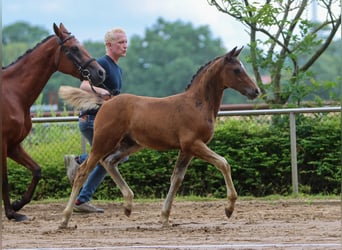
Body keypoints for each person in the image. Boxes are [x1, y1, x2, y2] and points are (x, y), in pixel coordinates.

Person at [64, 27, 128, 213]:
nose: (125, 46)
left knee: (115, 156)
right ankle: (82, 196)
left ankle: (79, 163)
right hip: (92, 120)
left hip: (104, 123)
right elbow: (84, 84)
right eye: (121, 42)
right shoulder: (103, 63)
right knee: (109, 156)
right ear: (109, 45)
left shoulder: (117, 69)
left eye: (125, 42)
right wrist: (102, 92)